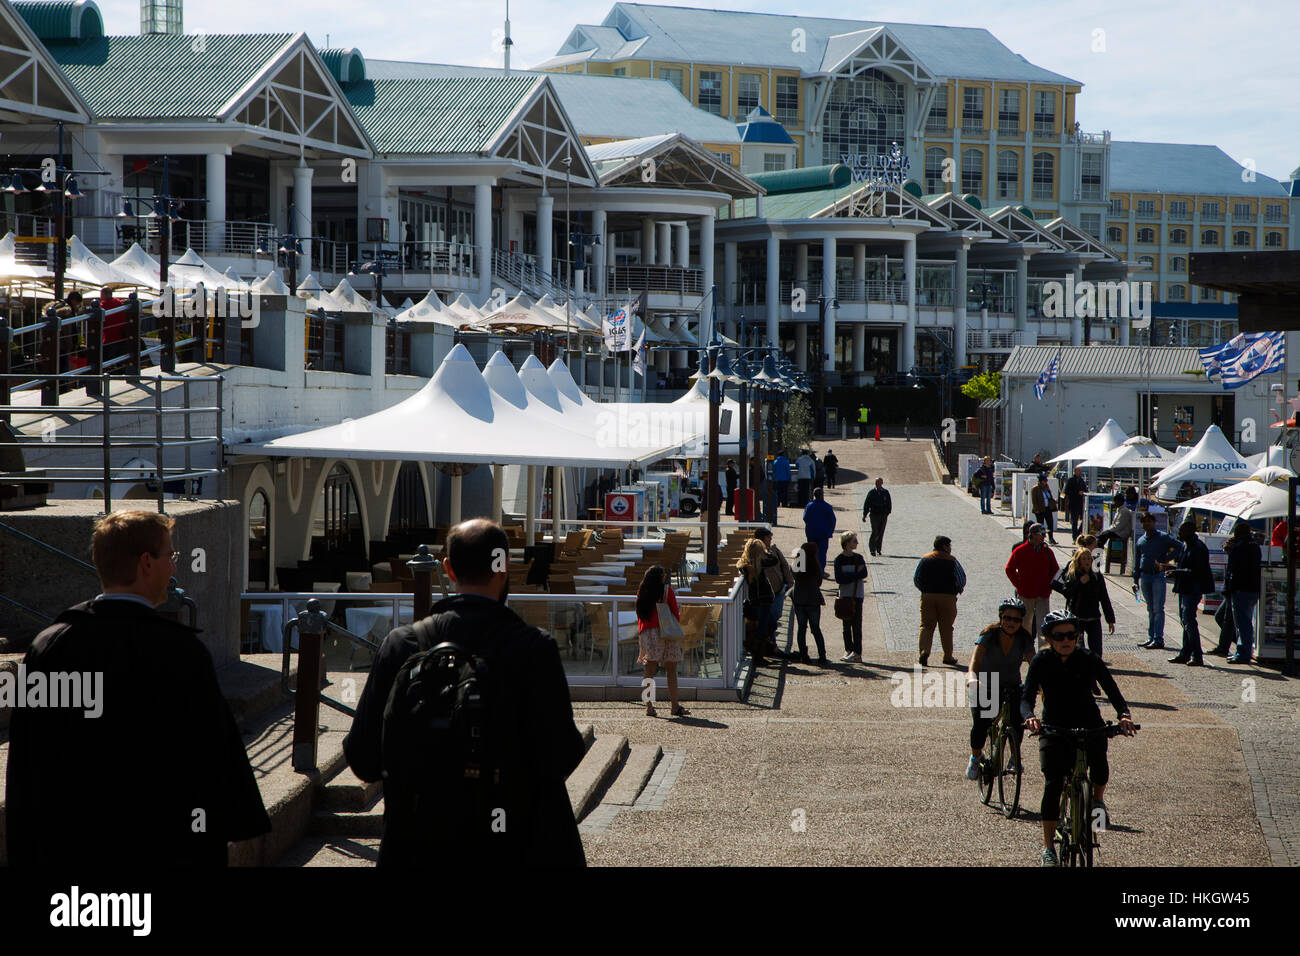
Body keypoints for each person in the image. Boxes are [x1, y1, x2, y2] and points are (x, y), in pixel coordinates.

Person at [5, 510, 270, 866]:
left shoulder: (50, 647)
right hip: (162, 846)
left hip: (73, 851)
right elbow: (212, 756)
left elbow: (27, 759)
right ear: (147, 563)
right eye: (170, 556)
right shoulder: (180, 652)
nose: (174, 568)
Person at [343, 518, 586, 867]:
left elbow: (363, 759)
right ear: (503, 568)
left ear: (448, 569)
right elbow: (563, 753)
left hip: (419, 844)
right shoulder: (534, 650)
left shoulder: (402, 647)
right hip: (512, 843)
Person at [1023, 610, 1136, 867]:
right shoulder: (1040, 661)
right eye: (1059, 636)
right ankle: (1048, 848)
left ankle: (1097, 800)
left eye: (1071, 635)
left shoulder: (1088, 658)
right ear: (1049, 638)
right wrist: (1030, 716)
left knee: (1100, 766)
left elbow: (1111, 688)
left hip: (1088, 723)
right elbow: (1026, 695)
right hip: (1054, 727)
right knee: (1053, 783)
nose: (1066, 640)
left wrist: (1123, 714)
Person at [965, 596, 1034, 780]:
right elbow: (975, 662)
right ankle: (975, 756)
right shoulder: (989, 634)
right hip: (985, 684)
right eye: (1007, 618)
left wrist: (1042, 687)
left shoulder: (1024, 638)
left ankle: (1014, 757)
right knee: (982, 723)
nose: (1011, 622)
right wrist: (972, 677)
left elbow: (1035, 666)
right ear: (1001, 617)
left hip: (1011, 685)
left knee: (1018, 722)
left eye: (1016, 619)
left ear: (1021, 621)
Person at [636, 566, 688, 718]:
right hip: (666, 632)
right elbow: (675, 613)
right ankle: (674, 705)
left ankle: (649, 706)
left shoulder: (642, 592)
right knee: (671, 670)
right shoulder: (666, 591)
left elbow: (640, 614)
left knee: (649, 671)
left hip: (648, 633)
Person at [1051, 547, 1115, 665]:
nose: (1087, 561)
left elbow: (1104, 598)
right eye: (1084, 559)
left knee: (1096, 651)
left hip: (1093, 617)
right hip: (1077, 618)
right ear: (1079, 561)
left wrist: (1110, 620)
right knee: (1078, 650)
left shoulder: (1097, 576)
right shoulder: (1073, 574)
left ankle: (1094, 672)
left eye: (1089, 559)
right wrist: (1080, 583)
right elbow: (1067, 593)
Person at [1164, 518, 1214, 666]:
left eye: (1181, 530)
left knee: (1189, 622)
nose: (1179, 532)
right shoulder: (1187, 545)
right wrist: (1175, 571)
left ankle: (1197, 655)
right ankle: (1185, 653)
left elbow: (1196, 571)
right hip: (1185, 588)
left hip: (1193, 589)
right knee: (1185, 621)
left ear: (1190, 531)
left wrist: (1176, 572)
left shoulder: (1198, 547)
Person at [914, 534, 966, 667]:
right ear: (944, 546)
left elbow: (917, 578)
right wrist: (958, 589)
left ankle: (924, 652)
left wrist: (924, 590)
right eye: (949, 545)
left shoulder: (925, 559)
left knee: (926, 625)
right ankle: (947, 656)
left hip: (928, 596)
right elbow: (961, 578)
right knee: (946, 628)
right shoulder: (952, 560)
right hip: (947, 597)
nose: (950, 548)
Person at [1133, 512, 1179, 650]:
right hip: (1145, 576)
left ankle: (1159, 639)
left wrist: (1166, 559)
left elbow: (1179, 546)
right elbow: (1136, 562)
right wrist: (1135, 580)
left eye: (1149, 521)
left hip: (1158, 576)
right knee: (1150, 608)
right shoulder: (1140, 540)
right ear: (1141, 524)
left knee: (1158, 608)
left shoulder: (1162, 537)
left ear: (1154, 522)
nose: (1147, 524)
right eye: (1144, 521)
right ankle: (1151, 637)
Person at [1005, 523, 1059, 642]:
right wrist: (1019, 585)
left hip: (1043, 595)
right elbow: (1009, 569)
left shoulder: (1048, 552)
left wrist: (1049, 586)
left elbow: (1055, 570)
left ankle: (1043, 651)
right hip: (1025, 594)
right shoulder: (1020, 550)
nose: (1044, 537)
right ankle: (1025, 651)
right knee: (1025, 625)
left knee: (1043, 626)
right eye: (1042, 534)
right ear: (1033, 535)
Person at [1222, 521, 1261, 664]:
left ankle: (1243, 653)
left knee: (1242, 623)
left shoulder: (1239, 547)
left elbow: (1234, 569)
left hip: (1240, 589)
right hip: (1252, 589)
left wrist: (1230, 551)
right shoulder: (1255, 546)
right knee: (1246, 621)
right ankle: (1243, 650)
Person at [738, 537, 778, 667]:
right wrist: (767, 551)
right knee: (767, 626)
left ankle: (758, 651)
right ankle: (757, 653)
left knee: (766, 626)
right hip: (764, 600)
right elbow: (774, 559)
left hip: (757, 600)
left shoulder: (744, 566)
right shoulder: (760, 564)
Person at [754, 526, 795, 653]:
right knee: (770, 621)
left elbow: (784, 565)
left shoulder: (775, 550)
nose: (771, 539)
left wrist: (789, 582)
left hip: (778, 591)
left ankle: (771, 645)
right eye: (768, 537)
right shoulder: (756, 553)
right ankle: (771, 646)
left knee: (775, 617)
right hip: (765, 595)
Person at [789, 541, 828, 666]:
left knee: (801, 628)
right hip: (813, 600)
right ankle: (822, 655)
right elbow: (818, 583)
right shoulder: (815, 566)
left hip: (799, 599)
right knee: (816, 628)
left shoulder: (796, 566)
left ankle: (804, 656)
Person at [833, 531, 869, 662]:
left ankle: (857, 652)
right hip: (845, 595)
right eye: (854, 541)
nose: (857, 543)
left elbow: (864, 573)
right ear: (846, 543)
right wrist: (855, 575)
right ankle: (848, 649)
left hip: (857, 595)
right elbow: (839, 579)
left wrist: (849, 576)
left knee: (857, 625)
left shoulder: (858, 557)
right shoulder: (839, 559)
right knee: (846, 625)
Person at [802, 486, 837, 572]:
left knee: (811, 552)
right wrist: (830, 531)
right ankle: (820, 570)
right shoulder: (827, 507)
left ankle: (812, 569)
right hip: (823, 534)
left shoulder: (809, 506)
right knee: (822, 553)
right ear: (822, 495)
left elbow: (805, 518)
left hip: (812, 533)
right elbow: (833, 520)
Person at [1094, 493, 1134, 565]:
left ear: (1120, 502)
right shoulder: (1119, 510)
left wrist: (1108, 530)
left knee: (1102, 536)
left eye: (1115, 501)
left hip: (1122, 533)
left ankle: (1098, 557)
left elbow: (1119, 526)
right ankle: (1098, 555)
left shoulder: (1124, 511)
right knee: (1100, 536)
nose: (1114, 503)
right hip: (1117, 531)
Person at [863, 477, 892, 556]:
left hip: (883, 515)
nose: (877, 484)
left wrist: (887, 513)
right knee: (875, 531)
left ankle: (878, 549)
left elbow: (889, 503)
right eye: (876, 482)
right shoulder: (871, 492)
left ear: (882, 483)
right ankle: (872, 549)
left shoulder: (885, 492)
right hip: (874, 515)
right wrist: (864, 515)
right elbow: (867, 504)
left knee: (880, 532)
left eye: (879, 482)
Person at [1030, 473, 1058, 545]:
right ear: (1040, 481)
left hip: (1047, 508)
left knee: (1050, 523)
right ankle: (1040, 539)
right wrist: (1037, 510)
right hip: (1040, 510)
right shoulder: (1035, 488)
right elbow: (1034, 500)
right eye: (1045, 480)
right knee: (1040, 525)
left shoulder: (1046, 487)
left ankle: (1051, 538)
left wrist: (1053, 500)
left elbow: (1049, 497)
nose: (1046, 482)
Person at [1063, 466, 1088, 541]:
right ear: (1075, 471)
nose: (1080, 472)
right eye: (1079, 471)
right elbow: (1067, 491)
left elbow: (1085, 489)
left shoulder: (1082, 481)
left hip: (1081, 503)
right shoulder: (1071, 480)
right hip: (1073, 503)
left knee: (1084, 519)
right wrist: (1077, 492)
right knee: (1074, 521)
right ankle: (1074, 537)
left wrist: (1084, 492)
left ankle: (1078, 533)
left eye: (1081, 471)